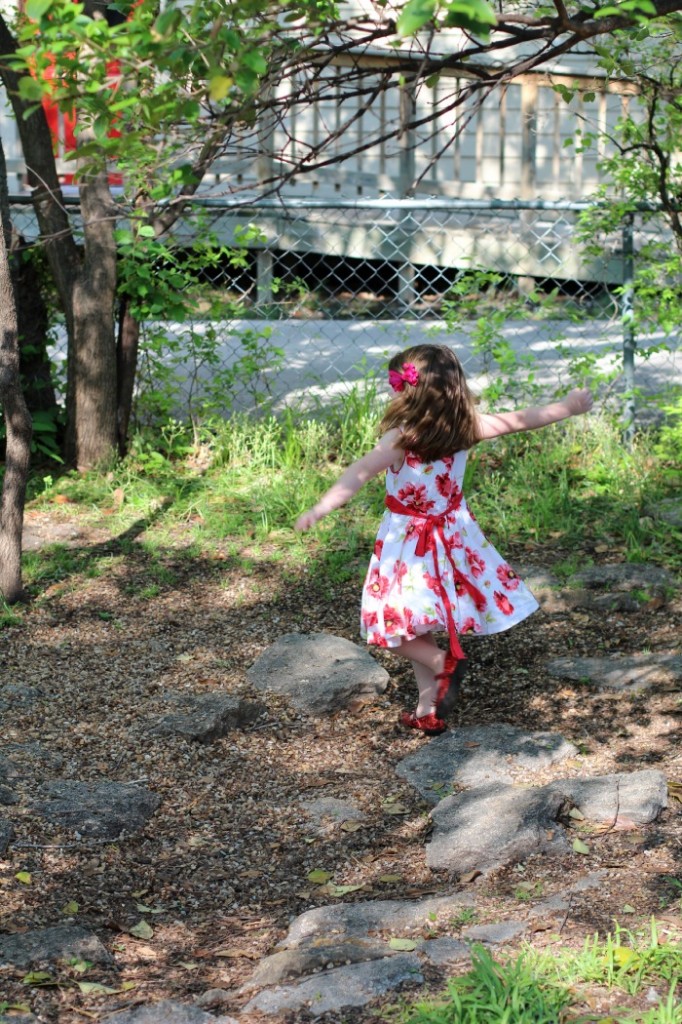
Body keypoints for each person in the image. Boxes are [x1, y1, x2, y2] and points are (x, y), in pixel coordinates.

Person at [295, 344, 594, 736]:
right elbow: (524, 419)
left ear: (408, 390)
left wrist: (320, 508)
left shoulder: (401, 438)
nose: (390, 390)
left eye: (394, 383)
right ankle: (427, 708)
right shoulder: (467, 425)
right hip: (453, 539)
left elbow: (359, 472)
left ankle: (441, 662)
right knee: (417, 622)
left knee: (386, 625)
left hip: (409, 544)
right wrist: (568, 407)